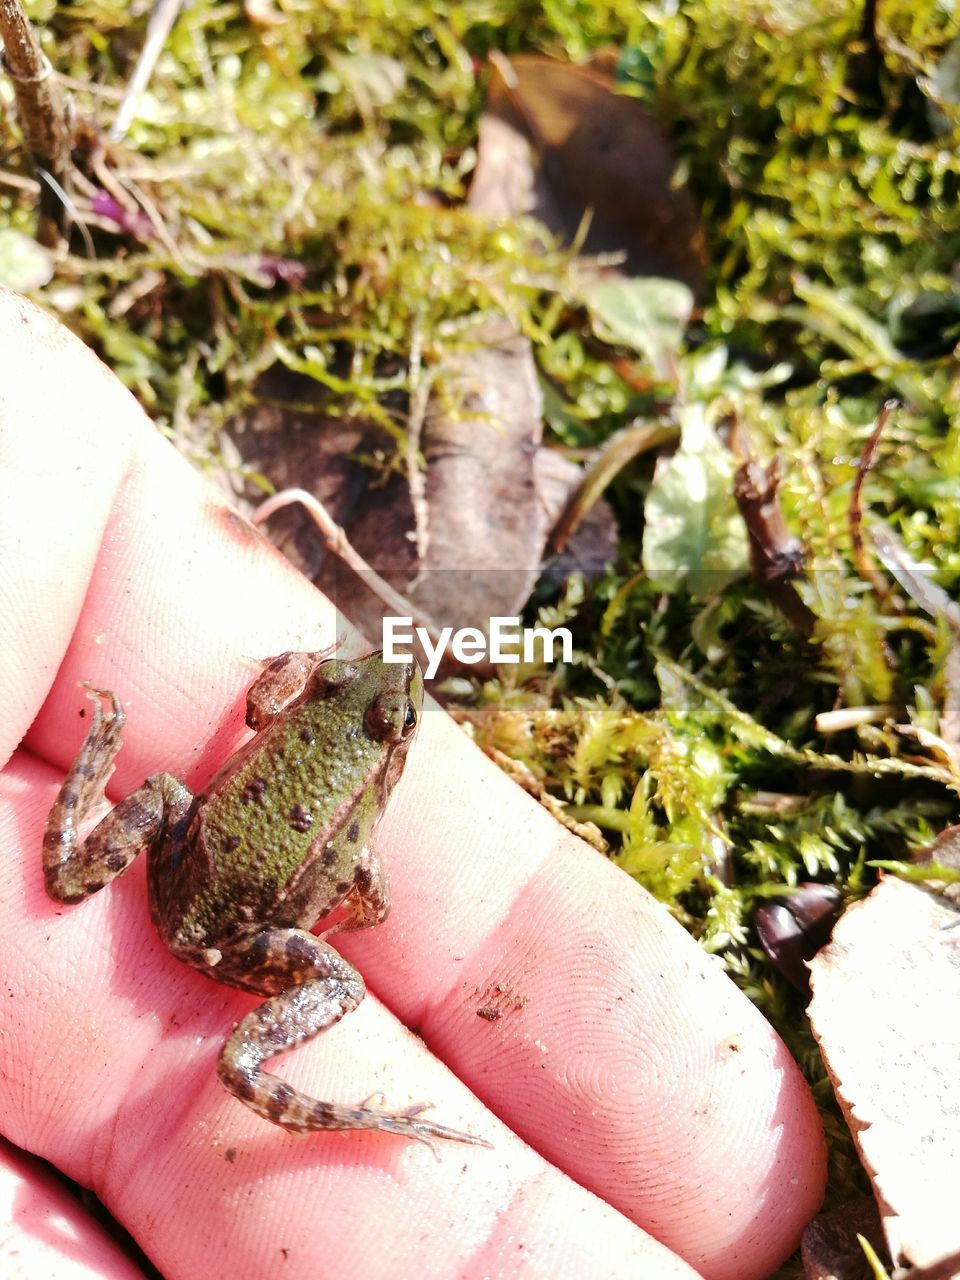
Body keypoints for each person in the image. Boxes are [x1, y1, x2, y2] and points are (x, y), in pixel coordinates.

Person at [0, 288, 825, 1279]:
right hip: (236, 935)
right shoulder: (365, 776)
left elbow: (264, 710)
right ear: (392, 741)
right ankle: (327, 1103)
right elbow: (373, 897)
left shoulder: (293, 703)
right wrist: (338, 897)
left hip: (184, 884)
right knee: (338, 976)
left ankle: (93, 775)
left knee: (166, 790)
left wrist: (124, 748)